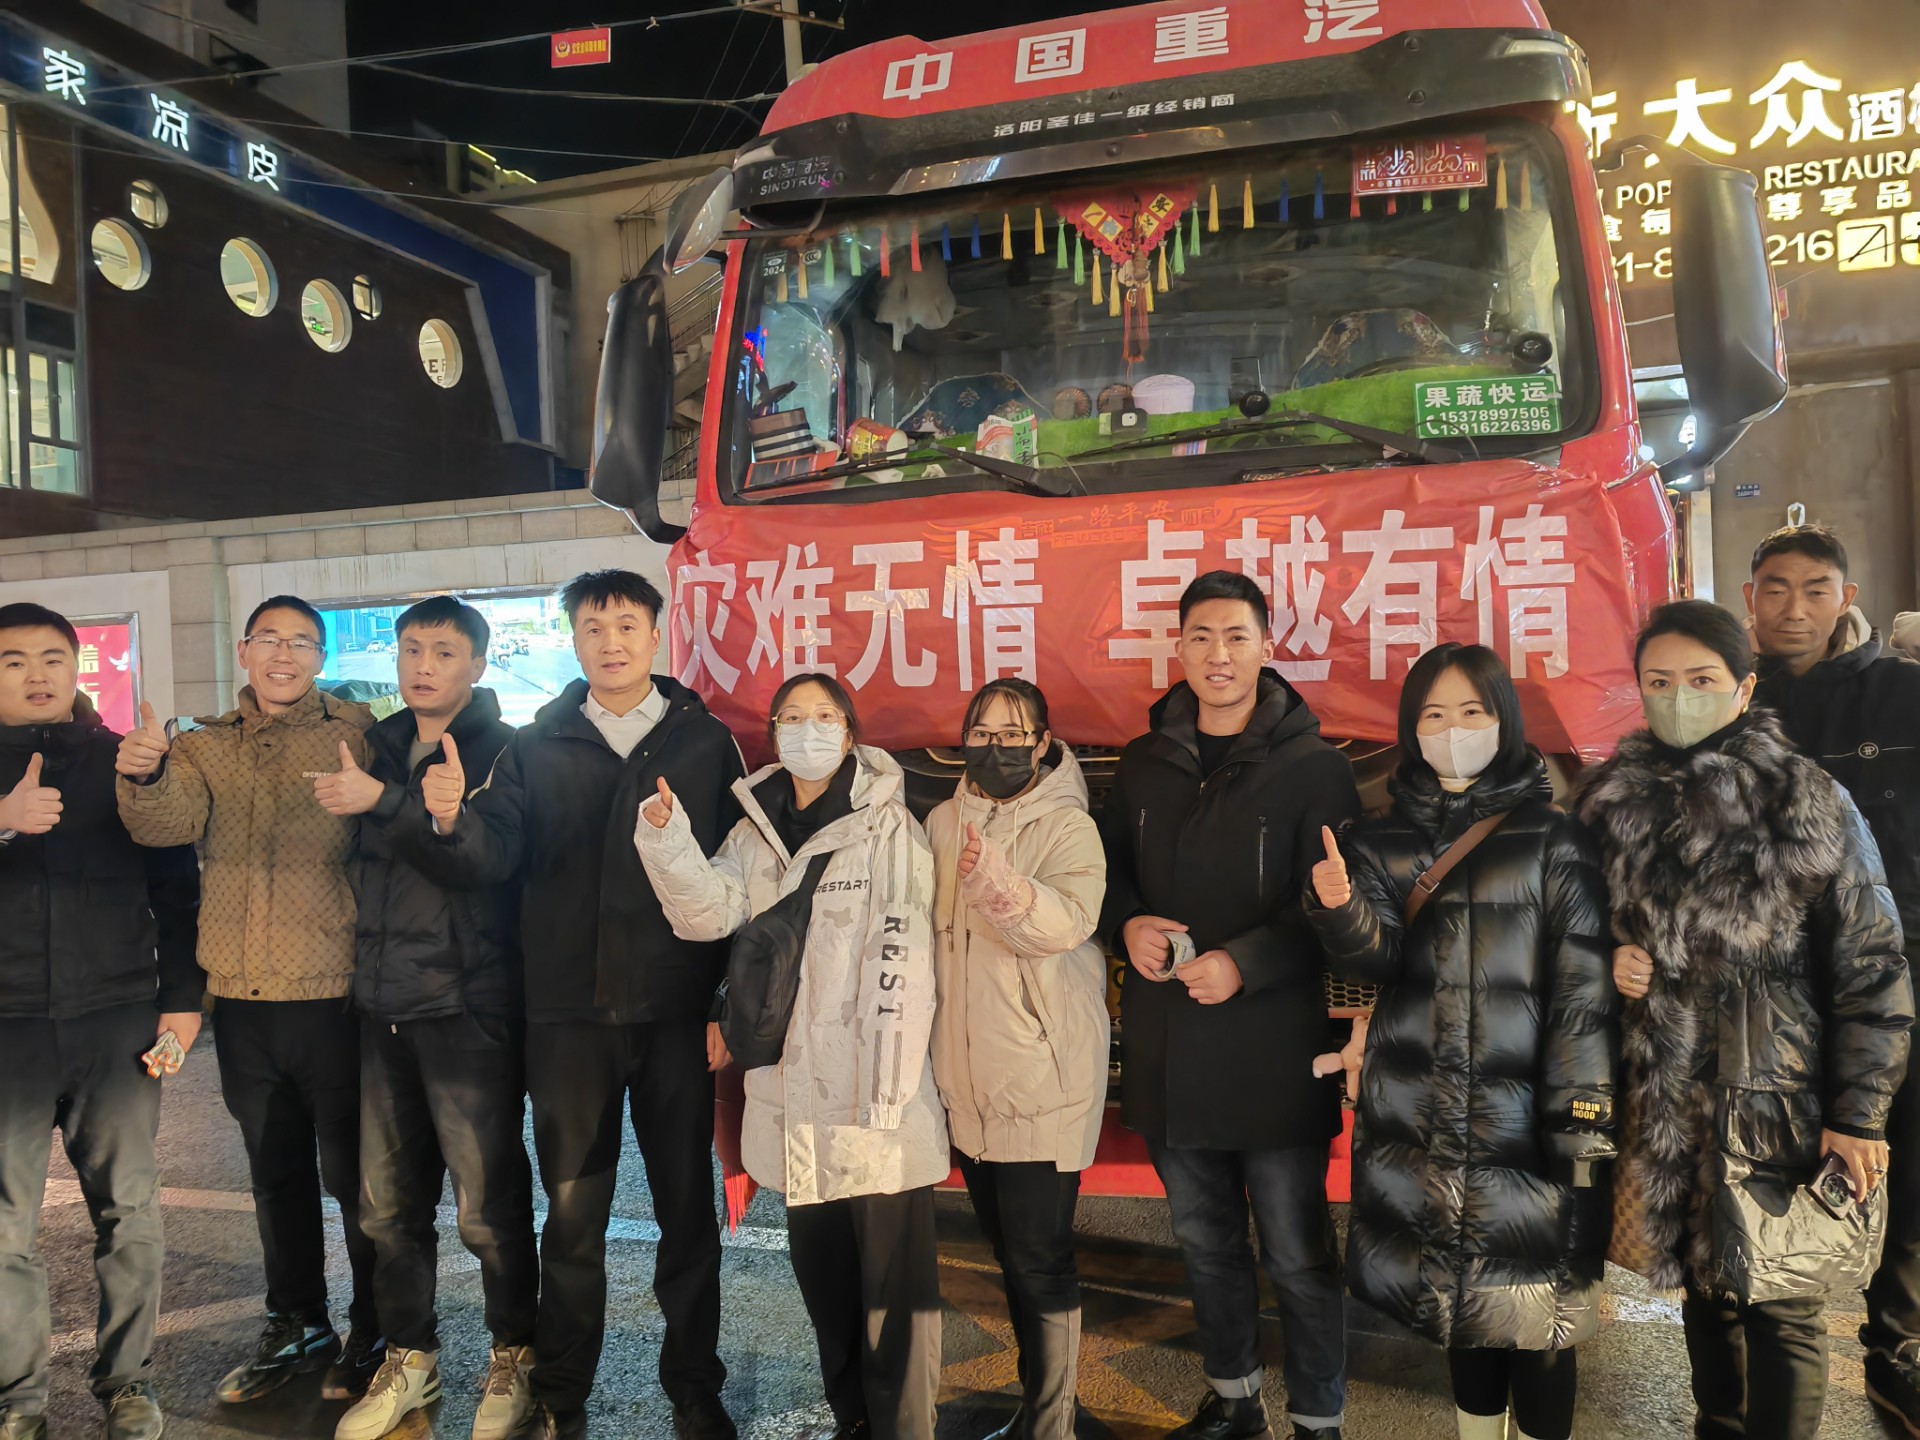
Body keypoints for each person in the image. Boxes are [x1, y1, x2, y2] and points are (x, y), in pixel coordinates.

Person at [384, 570, 744, 1440]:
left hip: (673, 1015)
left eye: (626, 626)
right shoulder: (535, 746)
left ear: (655, 635)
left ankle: (694, 1388)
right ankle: (562, 1391)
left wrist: (724, 1002)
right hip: (567, 1020)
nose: (610, 642)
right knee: (574, 1220)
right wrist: (448, 821)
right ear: (573, 641)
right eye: (592, 628)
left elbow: (741, 878)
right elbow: (491, 858)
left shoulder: (707, 743)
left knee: (686, 1215)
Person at [1577, 599, 1913, 1440]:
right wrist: (1608, 960)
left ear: (1744, 687)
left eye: (1701, 679)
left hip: (1780, 1099)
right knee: (1703, 1285)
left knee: (1784, 1304)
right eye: (1659, 682)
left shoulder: (1807, 799)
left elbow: (1871, 963)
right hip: (1665, 1098)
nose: (1679, 698)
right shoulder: (1610, 803)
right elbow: (1568, 930)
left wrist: (1860, 1114)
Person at [1303, 643, 1616, 1440]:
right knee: (1462, 1313)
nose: (1453, 730)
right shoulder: (1380, 838)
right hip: (1426, 1114)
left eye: (1471, 712)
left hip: (1529, 1121)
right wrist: (1340, 909)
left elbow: (1584, 990)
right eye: (1434, 715)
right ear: (1411, 731)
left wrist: (1582, 1118)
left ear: (1503, 721)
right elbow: (1376, 961)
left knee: (1540, 1320)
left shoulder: (1554, 838)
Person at [635, 675, 946, 1440]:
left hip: (875, 1098)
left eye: (825, 716)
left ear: (850, 731)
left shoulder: (888, 828)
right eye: (793, 718)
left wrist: (886, 1096)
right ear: (774, 734)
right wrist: (668, 842)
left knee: (895, 1310)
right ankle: (854, 1421)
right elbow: (710, 914)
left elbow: (904, 963)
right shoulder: (755, 831)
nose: (809, 730)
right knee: (827, 1291)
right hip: (795, 1098)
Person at [1097, 571, 1362, 1440]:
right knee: (1205, 1242)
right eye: (1202, 637)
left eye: (1237, 636)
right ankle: (1235, 1399)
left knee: (1295, 1250)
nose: (1219, 655)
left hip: (1273, 1054)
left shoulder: (1315, 768)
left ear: (1267, 648)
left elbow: (1333, 910)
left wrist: (1245, 964)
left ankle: (1318, 1419)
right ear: (1178, 648)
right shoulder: (1144, 762)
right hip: (1172, 1048)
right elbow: (1107, 875)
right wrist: (1127, 923)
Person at [116, 594, 385, 1407]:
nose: (284, 655)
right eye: (269, 639)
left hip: (336, 995)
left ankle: (374, 1329)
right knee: (274, 1175)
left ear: (321, 658)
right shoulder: (205, 745)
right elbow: (165, 827)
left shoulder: (357, 733)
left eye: (301, 642)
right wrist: (145, 772)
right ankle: (297, 1321)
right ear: (244, 651)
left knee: (357, 1178)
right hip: (242, 1000)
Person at [315, 597, 538, 1440]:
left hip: (467, 1007)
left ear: (477, 665)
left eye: (444, 651)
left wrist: (409, 806)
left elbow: (489, 860)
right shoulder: (374, 744)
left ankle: (515, 1353)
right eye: (411, 648)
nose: (423, 665)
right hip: (382, 1006)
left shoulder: (505, 749)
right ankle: (410, 1357)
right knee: (385, 1209)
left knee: (487, 1208)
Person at [0, 604, 200, 1440]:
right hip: (7, 1026)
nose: (36, 674)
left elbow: (178, 890)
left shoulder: (128, 762)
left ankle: (129, 1383)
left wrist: (182, 1003)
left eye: (53, 658)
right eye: (13, 661)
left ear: (77, 667)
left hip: (116, 1019)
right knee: (3, 1226)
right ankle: (18, 1399)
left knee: (129, 1212)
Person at [1744, 524, 1920, 1432]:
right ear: (1750, 599)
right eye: (1776, 589)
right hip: (1768, 990)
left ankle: (1896, 1346)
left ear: (1845, 598)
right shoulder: (1734, 704)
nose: (1795, 608)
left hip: (1889, 967)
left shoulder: (1902, 696)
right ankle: (1765, 1353)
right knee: (1777, 1170)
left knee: (1902, 1154)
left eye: (1816, 589)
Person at [926, 680, 1110, 1440]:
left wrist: (994, 881)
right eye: (982, 732)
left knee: (1040, 1259)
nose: (995, 746)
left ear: (1042, 745)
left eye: (1013, 733)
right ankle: (1042, 1409)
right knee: (1007, 1254)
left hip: (1041, 1074)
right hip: (966, 1080)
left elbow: (1064, 924)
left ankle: (1050, 1424)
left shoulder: (1070, 826)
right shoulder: (940, 822)